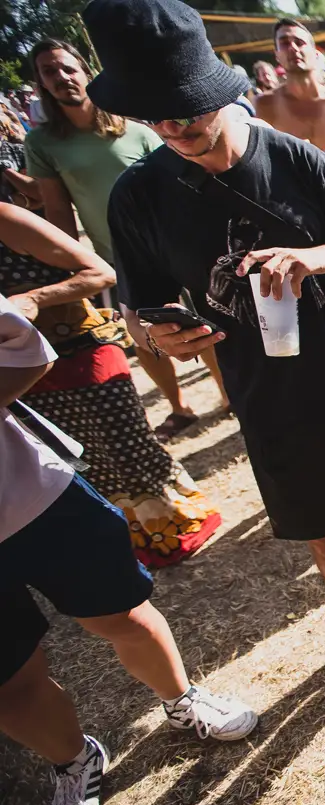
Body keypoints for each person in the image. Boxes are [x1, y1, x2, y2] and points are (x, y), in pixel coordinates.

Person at [86, 0, 325, 681]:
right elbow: (137, 312)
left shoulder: (293, 158)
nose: (174, 127)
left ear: (215, 89)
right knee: (323, 536)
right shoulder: (139, 195)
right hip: (263, 396)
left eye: (185, 109)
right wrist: (157, 334)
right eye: (156, 116)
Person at [0, 295, 259, 805]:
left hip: (32, 497)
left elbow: (26, 348)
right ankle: (74, 760)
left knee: (123, 616)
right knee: (8, 683)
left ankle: (181, 699)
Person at [2, 199, 224, 569]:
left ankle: (175, 531)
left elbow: (101, 273)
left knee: (130, 449)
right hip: (19, 377)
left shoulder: (7, 220)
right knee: (83, 462)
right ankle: (123, 543)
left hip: (81, 353)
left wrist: (33, 297)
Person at [27, 39, 232, 438]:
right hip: (113, 256)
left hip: (174, 247)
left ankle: (229, 395)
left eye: (68, 68)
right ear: (41, 83)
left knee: (200, 324)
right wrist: (71, 271)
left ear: (86, 71)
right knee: (144, 335)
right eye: (49, 71)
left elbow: (180, 183)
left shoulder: (136, 128)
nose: (62, 77)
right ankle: (180, 407)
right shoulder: (42, 143)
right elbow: (57, 211)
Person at [255, 19, 325, 152]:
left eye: (299, 42)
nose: (293, 48)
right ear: (277, 55)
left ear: (315, 53)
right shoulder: (264, 105)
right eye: (284, 43)